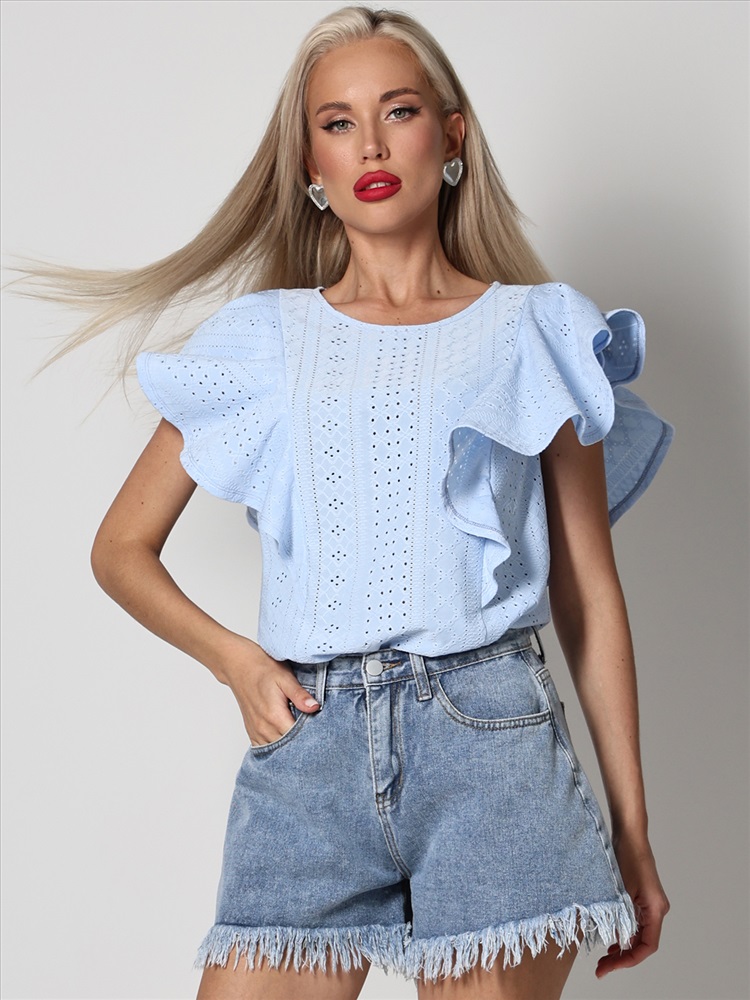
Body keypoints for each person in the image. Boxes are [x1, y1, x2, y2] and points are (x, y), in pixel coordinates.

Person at [25, 5, 672, 998]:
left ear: (451, 136)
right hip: (310, 742)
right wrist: (237, 661)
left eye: (398, 111)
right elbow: (120, 548)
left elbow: (588, 596)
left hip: (493, 745)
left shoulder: (536, 330)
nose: (370, 144)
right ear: (309, 164)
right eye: (337, 122)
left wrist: (631, 831)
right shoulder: (264, 341)